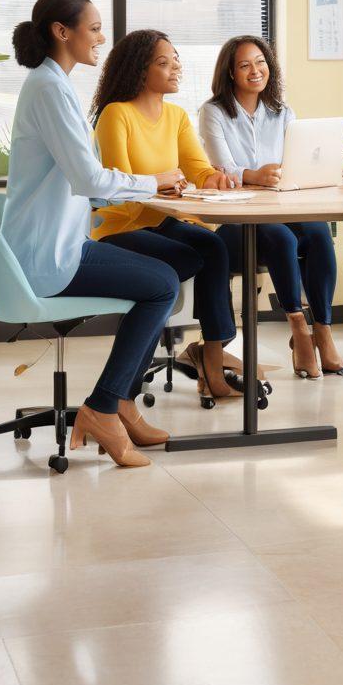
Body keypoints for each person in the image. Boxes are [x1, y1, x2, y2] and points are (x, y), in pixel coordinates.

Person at [1, 0, 186, 469]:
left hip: (56, 243)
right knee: (163, 283)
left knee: (166, 273)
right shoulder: (49, 88)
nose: (102, 38)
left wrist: (148, 190)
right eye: (95, 28)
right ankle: (106, 406)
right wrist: (152, 181)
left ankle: (118, 402)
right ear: (62, 32)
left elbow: (83, 183)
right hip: (51, 255)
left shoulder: (53, 85)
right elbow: (87, 178)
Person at [91, 30, 240, 404]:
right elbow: (120, 190)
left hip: (161, 222)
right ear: (140, 70)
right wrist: (160, 187)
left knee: (213, 245)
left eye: (177, 60)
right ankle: (125, 388)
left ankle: (211, 352)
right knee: (190, 258)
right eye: (164, 62)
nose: (176, 68)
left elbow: (198, 170)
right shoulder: (116, 114)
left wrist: (215, 179)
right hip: (121, 226)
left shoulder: (175, 116)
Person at [198, 35, 343, 380]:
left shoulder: (283, 113)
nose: (255, 71)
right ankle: (298, 327)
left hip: (279, 208)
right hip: (237, 224)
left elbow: (295, 161)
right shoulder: (213, 112)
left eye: (260, 62)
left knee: (318, 230)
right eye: (245, 65)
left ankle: (322, 329)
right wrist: (255, 175)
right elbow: (222, 169)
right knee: (282, 238)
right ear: (230, 73)